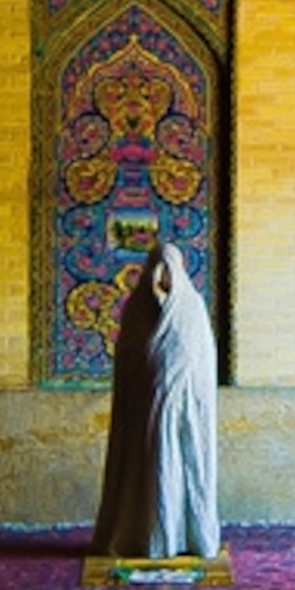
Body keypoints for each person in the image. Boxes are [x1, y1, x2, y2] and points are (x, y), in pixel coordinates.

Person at [89, 240, 221, 565]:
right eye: (157, 269)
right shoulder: (137, 308)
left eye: (168, 269)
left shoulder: (191, 308)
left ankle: (184, 535)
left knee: (181, 466)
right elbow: (130, 359)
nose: (162, 276)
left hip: (183, 411)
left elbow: (198, 359)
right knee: (148, 471)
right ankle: (143, 534)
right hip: (144, 411)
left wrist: (174, 386)